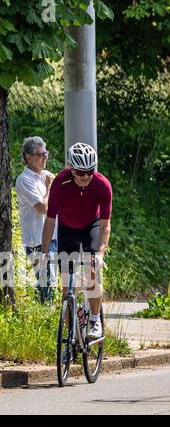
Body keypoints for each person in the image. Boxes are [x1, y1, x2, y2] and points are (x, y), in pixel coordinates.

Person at [41, 142, 112, 342]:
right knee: (67, 287)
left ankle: (95, 320)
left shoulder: (102, 185)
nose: (86, 177)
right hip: (67, 228)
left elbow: (106, 225)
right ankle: (71, 335)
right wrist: (45, 251)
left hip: (92, 225)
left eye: (90, 171)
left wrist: (100, 254)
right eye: (81, 172)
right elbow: (49, 221)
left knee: (92, 270)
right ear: (72, 169)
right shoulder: (60, 183)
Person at [15, 136, 56, 303]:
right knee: (47, 285)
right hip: (37, 241)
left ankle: (52, 320)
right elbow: (44, 208)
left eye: (45, 153)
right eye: (40, 154)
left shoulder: (45, 175)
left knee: (53, 283)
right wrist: (50, 189)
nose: (44, 157)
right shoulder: (24, 180)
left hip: (53, 237)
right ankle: (46, 321)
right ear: (28, 157)